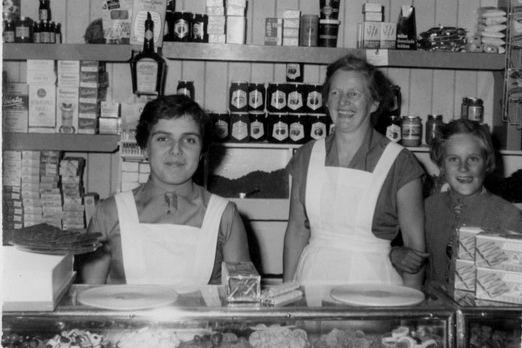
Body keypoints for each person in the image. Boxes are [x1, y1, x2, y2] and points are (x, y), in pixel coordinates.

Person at [283, 55, 429, 289]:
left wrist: (412, 309)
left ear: (373, 103)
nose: (343, 102)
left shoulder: (400, 163)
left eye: (354, 94)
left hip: (375, 289)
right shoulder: (307, 156)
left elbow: (414, 246)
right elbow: (297, 231)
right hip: (312, 285)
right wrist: (285, 292)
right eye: (335, 93)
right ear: (326, 100)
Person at [81, 95, 251, 285]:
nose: (176, 150)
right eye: (163, 139)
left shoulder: (225, 216)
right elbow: (87, 297)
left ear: (202, 151)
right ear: (145, 147)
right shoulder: (109, 213)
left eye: (189, 140)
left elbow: (242, 299)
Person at [425, 119, 522, 288]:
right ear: (441, 164)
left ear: (487, 163)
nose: (463, 168)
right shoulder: (428, 208)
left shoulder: (508, 216)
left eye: (473, 159)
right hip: (436, 308)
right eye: (453, 159)